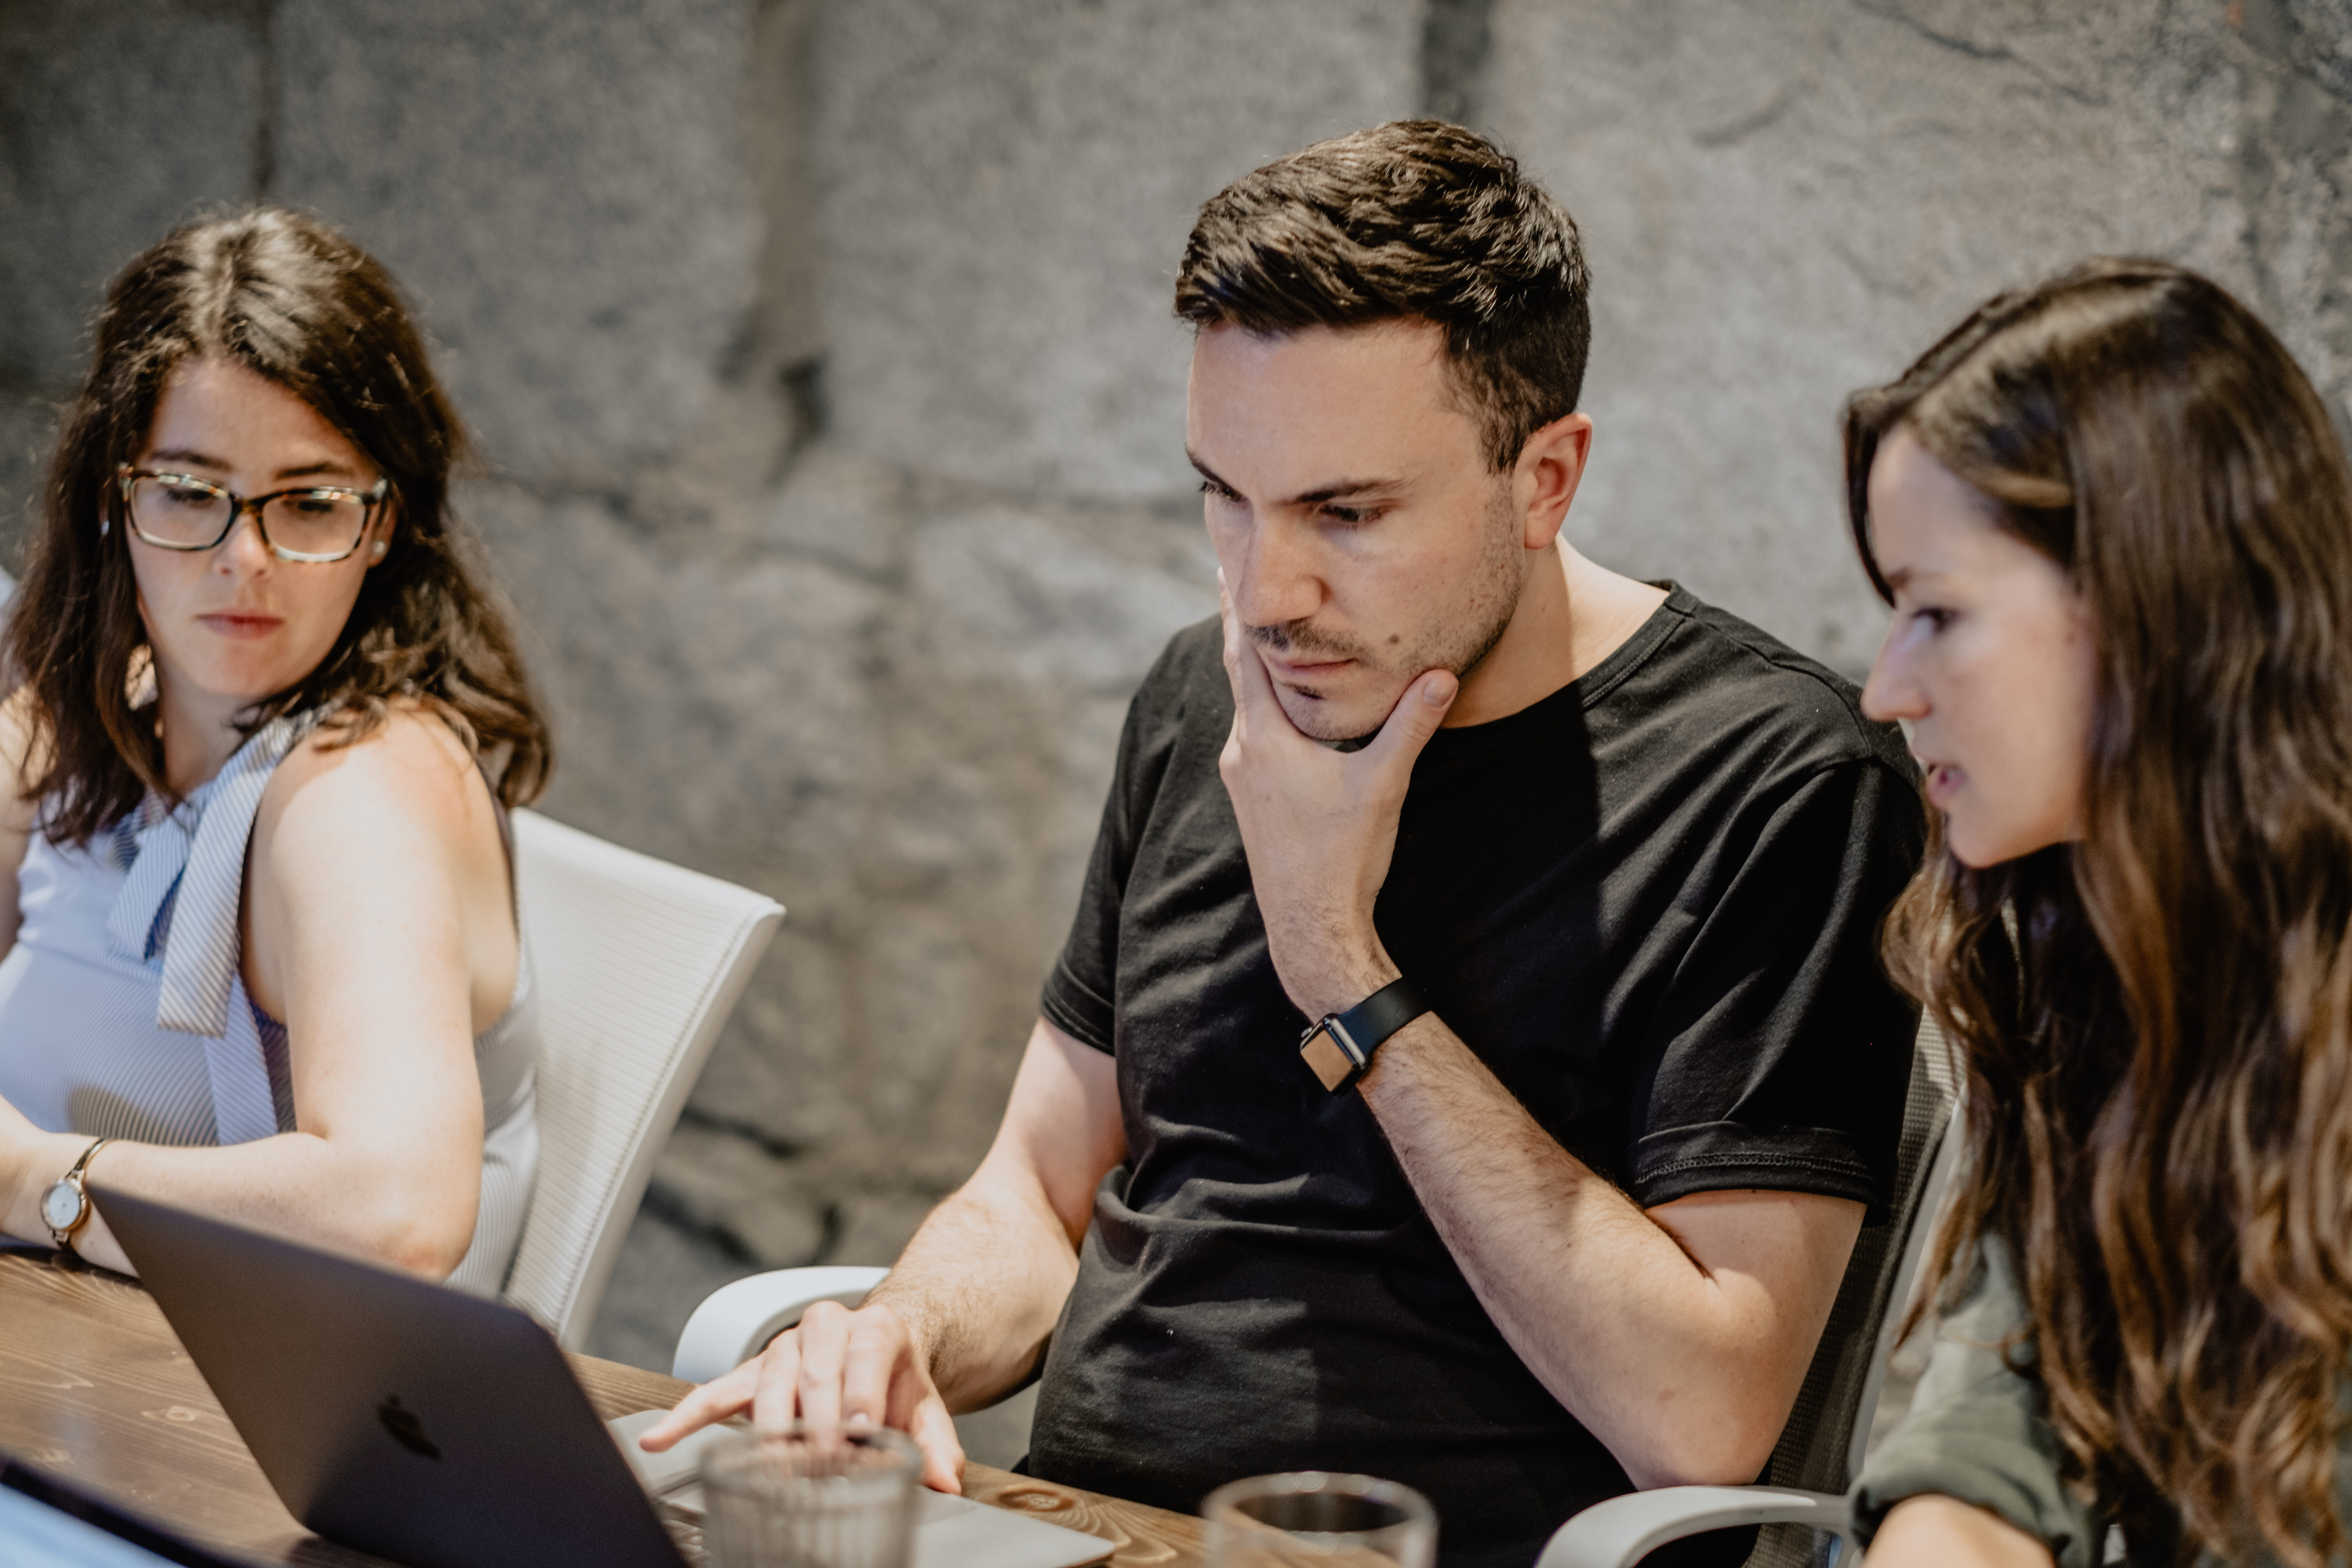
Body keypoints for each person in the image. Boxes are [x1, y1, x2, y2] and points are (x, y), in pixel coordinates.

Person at [648, 120, 1925, 1568]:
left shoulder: (1781, 779)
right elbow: (1035, 1191)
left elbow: (1700, 1416)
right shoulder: (1210, 691)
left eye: (1346, 512)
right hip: (1073, 1532)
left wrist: (1341, 960)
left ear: (1546, 479)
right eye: (1225, 497)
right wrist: (895, 1335)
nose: (1266, 590)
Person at [1840, 259, 2352, 1568]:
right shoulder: (2092, 959)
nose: (1886, 691)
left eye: (1936, 612)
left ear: (2145, 609)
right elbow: (1997, 1431)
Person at [0, 207, 554, 1296]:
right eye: (191, 493)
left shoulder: (360, 789)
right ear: (114, 498)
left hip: (253, 1442)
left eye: (308, 503)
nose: (243, 559)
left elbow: (395, 1215)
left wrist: (26, 1180)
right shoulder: (96, 721)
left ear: (386, 520)